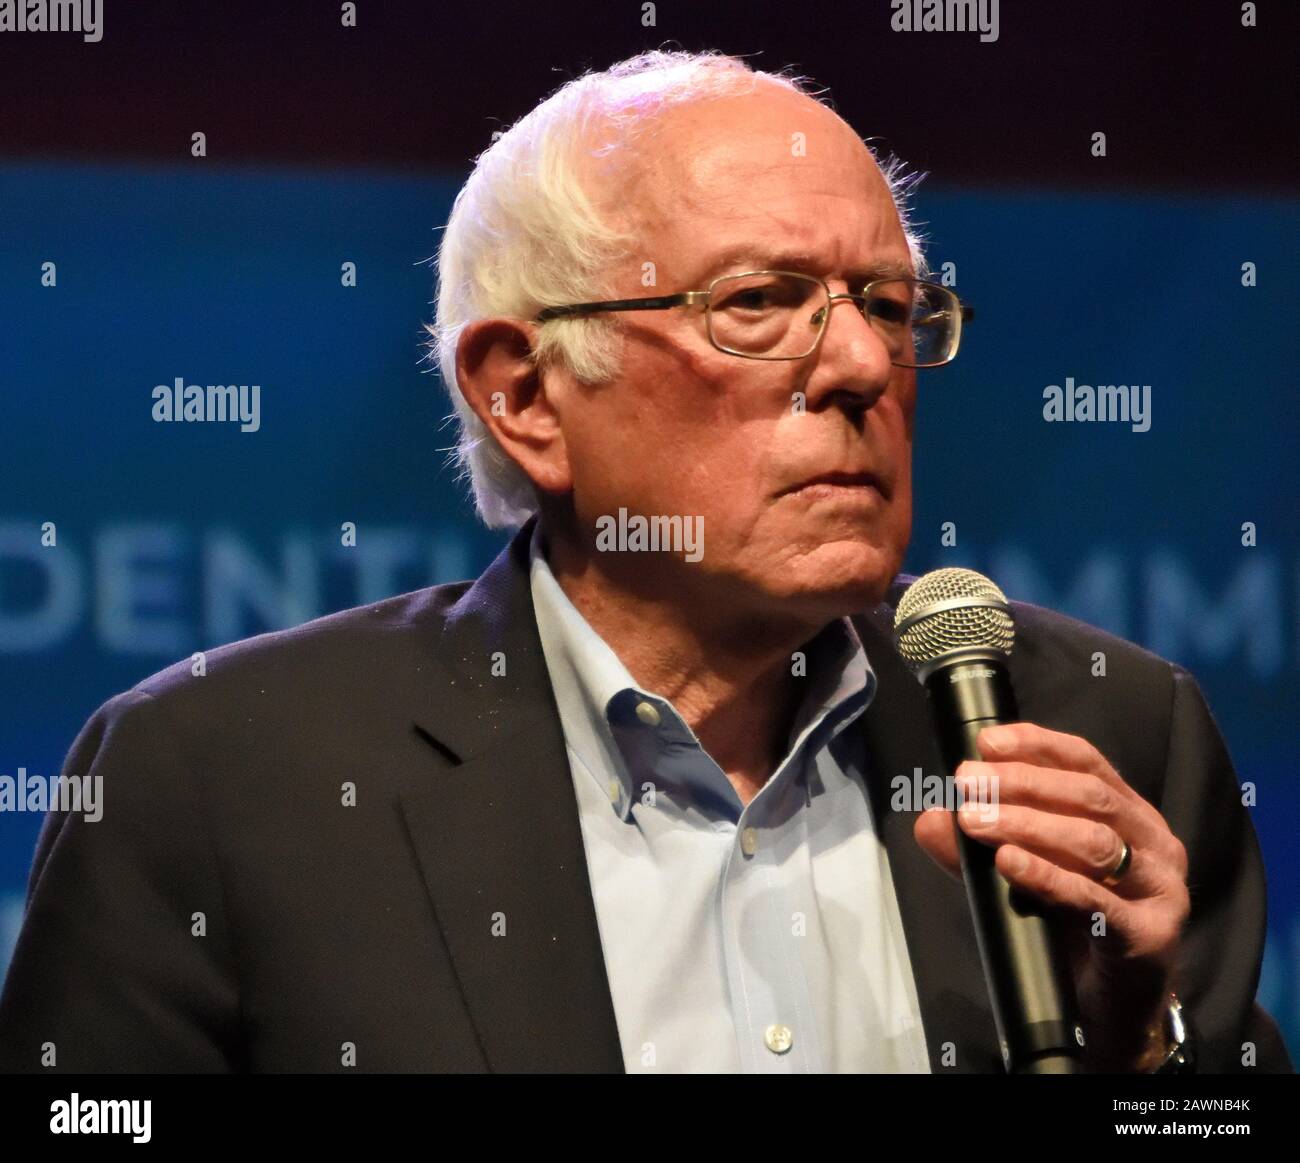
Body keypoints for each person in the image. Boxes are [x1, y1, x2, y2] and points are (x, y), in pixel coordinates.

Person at [0, 50, 1289, 1074]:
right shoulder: (220, 778)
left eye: (890, 307)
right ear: (527, 398)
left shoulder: (1110, 731)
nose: (855, 367)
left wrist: (1139, 1065)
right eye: (755, 305)